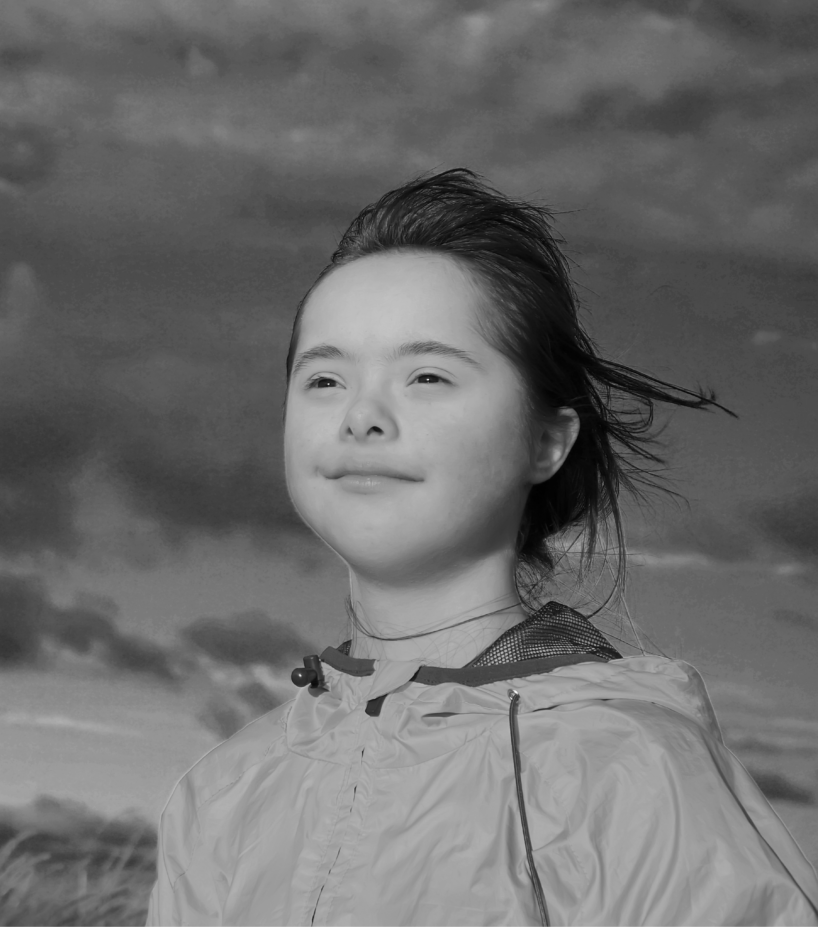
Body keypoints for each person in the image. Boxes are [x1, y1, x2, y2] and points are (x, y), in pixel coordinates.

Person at [146, 170, 818, 926]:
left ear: (546, 440)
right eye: (324, 378)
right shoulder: (224, 787)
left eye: (427, 375)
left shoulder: (626, 767)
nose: (362, 416)